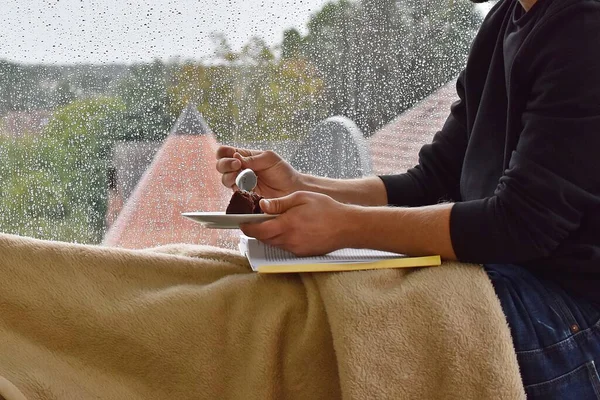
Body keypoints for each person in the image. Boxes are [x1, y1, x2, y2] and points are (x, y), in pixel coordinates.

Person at [216, 0, 600, 397]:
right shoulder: (503, 20)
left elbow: (520, 225)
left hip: (573, 313)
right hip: (503, 274)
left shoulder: (585, 27)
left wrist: (344, 225)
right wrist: (302, 188)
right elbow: (433, 180)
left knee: (298, 326)